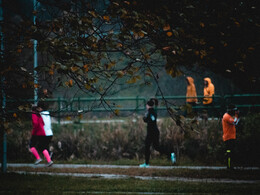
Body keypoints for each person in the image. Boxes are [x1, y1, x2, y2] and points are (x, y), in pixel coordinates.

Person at [139, 98, 176, 168]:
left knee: (147, 147)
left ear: (147, 105)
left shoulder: (151, 112)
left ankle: (146, 164)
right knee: (156, 147)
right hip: (154, 132)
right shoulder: (152, 112)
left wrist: (146, 117)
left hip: (152, 132)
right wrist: (146, 117)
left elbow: (150, 120)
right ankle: (171, 153)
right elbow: (147, 120)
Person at [29, 103, 53, 167]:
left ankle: (38, 158)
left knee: (31, 145)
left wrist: (34, 130)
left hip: (37, 132)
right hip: (42, 132)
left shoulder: (34, 114)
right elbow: (43, 123)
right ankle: (49, 160)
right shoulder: (40, 114)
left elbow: (35, 123)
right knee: (42, 147)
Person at [222, 104, 240, 169]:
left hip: (231, 137)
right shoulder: (226, 116)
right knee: (229, 152)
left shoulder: (228, 116)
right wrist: (237, 115)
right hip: (228, 137)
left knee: (232, 152)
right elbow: (235, 122)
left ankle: (231, 165)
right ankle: (229, 166)